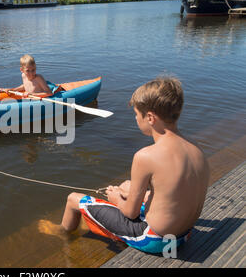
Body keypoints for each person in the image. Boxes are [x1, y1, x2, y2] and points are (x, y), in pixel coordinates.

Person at [39, 77, 210, 254]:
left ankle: (63, 232)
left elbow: (130, 213)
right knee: (125, 186)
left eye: (136, 114)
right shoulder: (195, 147)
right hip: (183, 236)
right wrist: (123, 192)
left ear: (150, 117)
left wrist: (116, 199)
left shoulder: (145, 156)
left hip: (156, 240)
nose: (136, 119)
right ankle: (118, 225)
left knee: (74, 199)